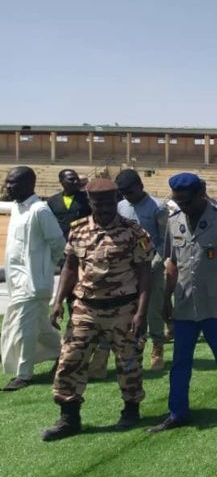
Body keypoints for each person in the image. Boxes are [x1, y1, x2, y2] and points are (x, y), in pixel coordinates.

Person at [41, 179, 154, 441]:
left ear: (115, 200)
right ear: (90, 202)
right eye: (96, 203)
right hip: (85, 308)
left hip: (123, 308)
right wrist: (58, 301)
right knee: (70, 361)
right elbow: (69, 266)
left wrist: (141, 312)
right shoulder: (78, 230)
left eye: (107, 202)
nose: (102, 207)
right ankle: (69, 417)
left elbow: (145, 275)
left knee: (129, 362)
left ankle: (131, 409)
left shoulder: (134, 232)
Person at [149, 173, 217, 432]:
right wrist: (166, 299)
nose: (184, 206)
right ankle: (178, 411)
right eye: (179, 201)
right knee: (181, 361)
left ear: (202, 192)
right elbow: (171, 263)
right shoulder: (174, 222)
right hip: (185, 301)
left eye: (188, 200)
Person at [1, 167, 66, 391]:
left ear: (29, 184)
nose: (8, 186)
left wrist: (45, 267)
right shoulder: (18, 209)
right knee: (40, 327)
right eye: (7, 182)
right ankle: (64, 353)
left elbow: (58, 243)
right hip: (16, 282)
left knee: (23, 329)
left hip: (34, 283)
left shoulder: (40, 210)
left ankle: (24, 374)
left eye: (13, 183)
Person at [115, 169, 169, 370]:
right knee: (131, 310)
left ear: (140, 186)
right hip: (127, 269)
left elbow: (165, 239)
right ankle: (135, 345)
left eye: (130, 191)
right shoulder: (120, 207)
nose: (127, 196)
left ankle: (157, 345)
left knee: (153, 308)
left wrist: (157, 261)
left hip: (152, 267)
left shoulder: (158, 207)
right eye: (124, 193)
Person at [47, 168, 91, 240]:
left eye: (77, 179)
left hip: (83, 240)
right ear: (61, 181)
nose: (76, 181)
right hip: (60, 242)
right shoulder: (53, 201)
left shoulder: (88, 198)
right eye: (71, 179)